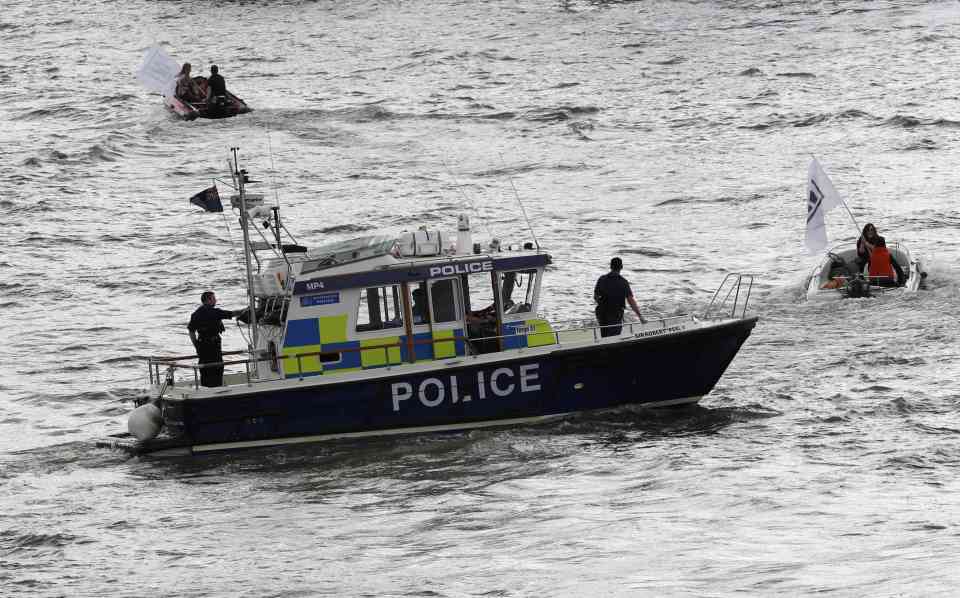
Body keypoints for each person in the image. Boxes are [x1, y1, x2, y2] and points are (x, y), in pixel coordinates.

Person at [187, 291, 235, 387]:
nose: (215, 300)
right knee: (217, 367)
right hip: (213, 346)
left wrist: (196, 345)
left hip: (202, 345)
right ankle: (217, 388)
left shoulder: (195, 314)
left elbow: (191, 331)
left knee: (205, 369)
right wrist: (245, 311)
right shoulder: (214, 312)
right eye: (213, 298)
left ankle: (206, 388)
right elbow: (230, 313)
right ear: (208, 300)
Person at [594, 257, 646, 338]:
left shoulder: (602, 279)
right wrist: (640, 316)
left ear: (610, 266)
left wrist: (603, 305)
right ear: (621, 267)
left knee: (604, 335)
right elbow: (631, 301)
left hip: (601, 313)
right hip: (615, 314)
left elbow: (596, 296)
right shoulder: (623, 282)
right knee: (613, 337)